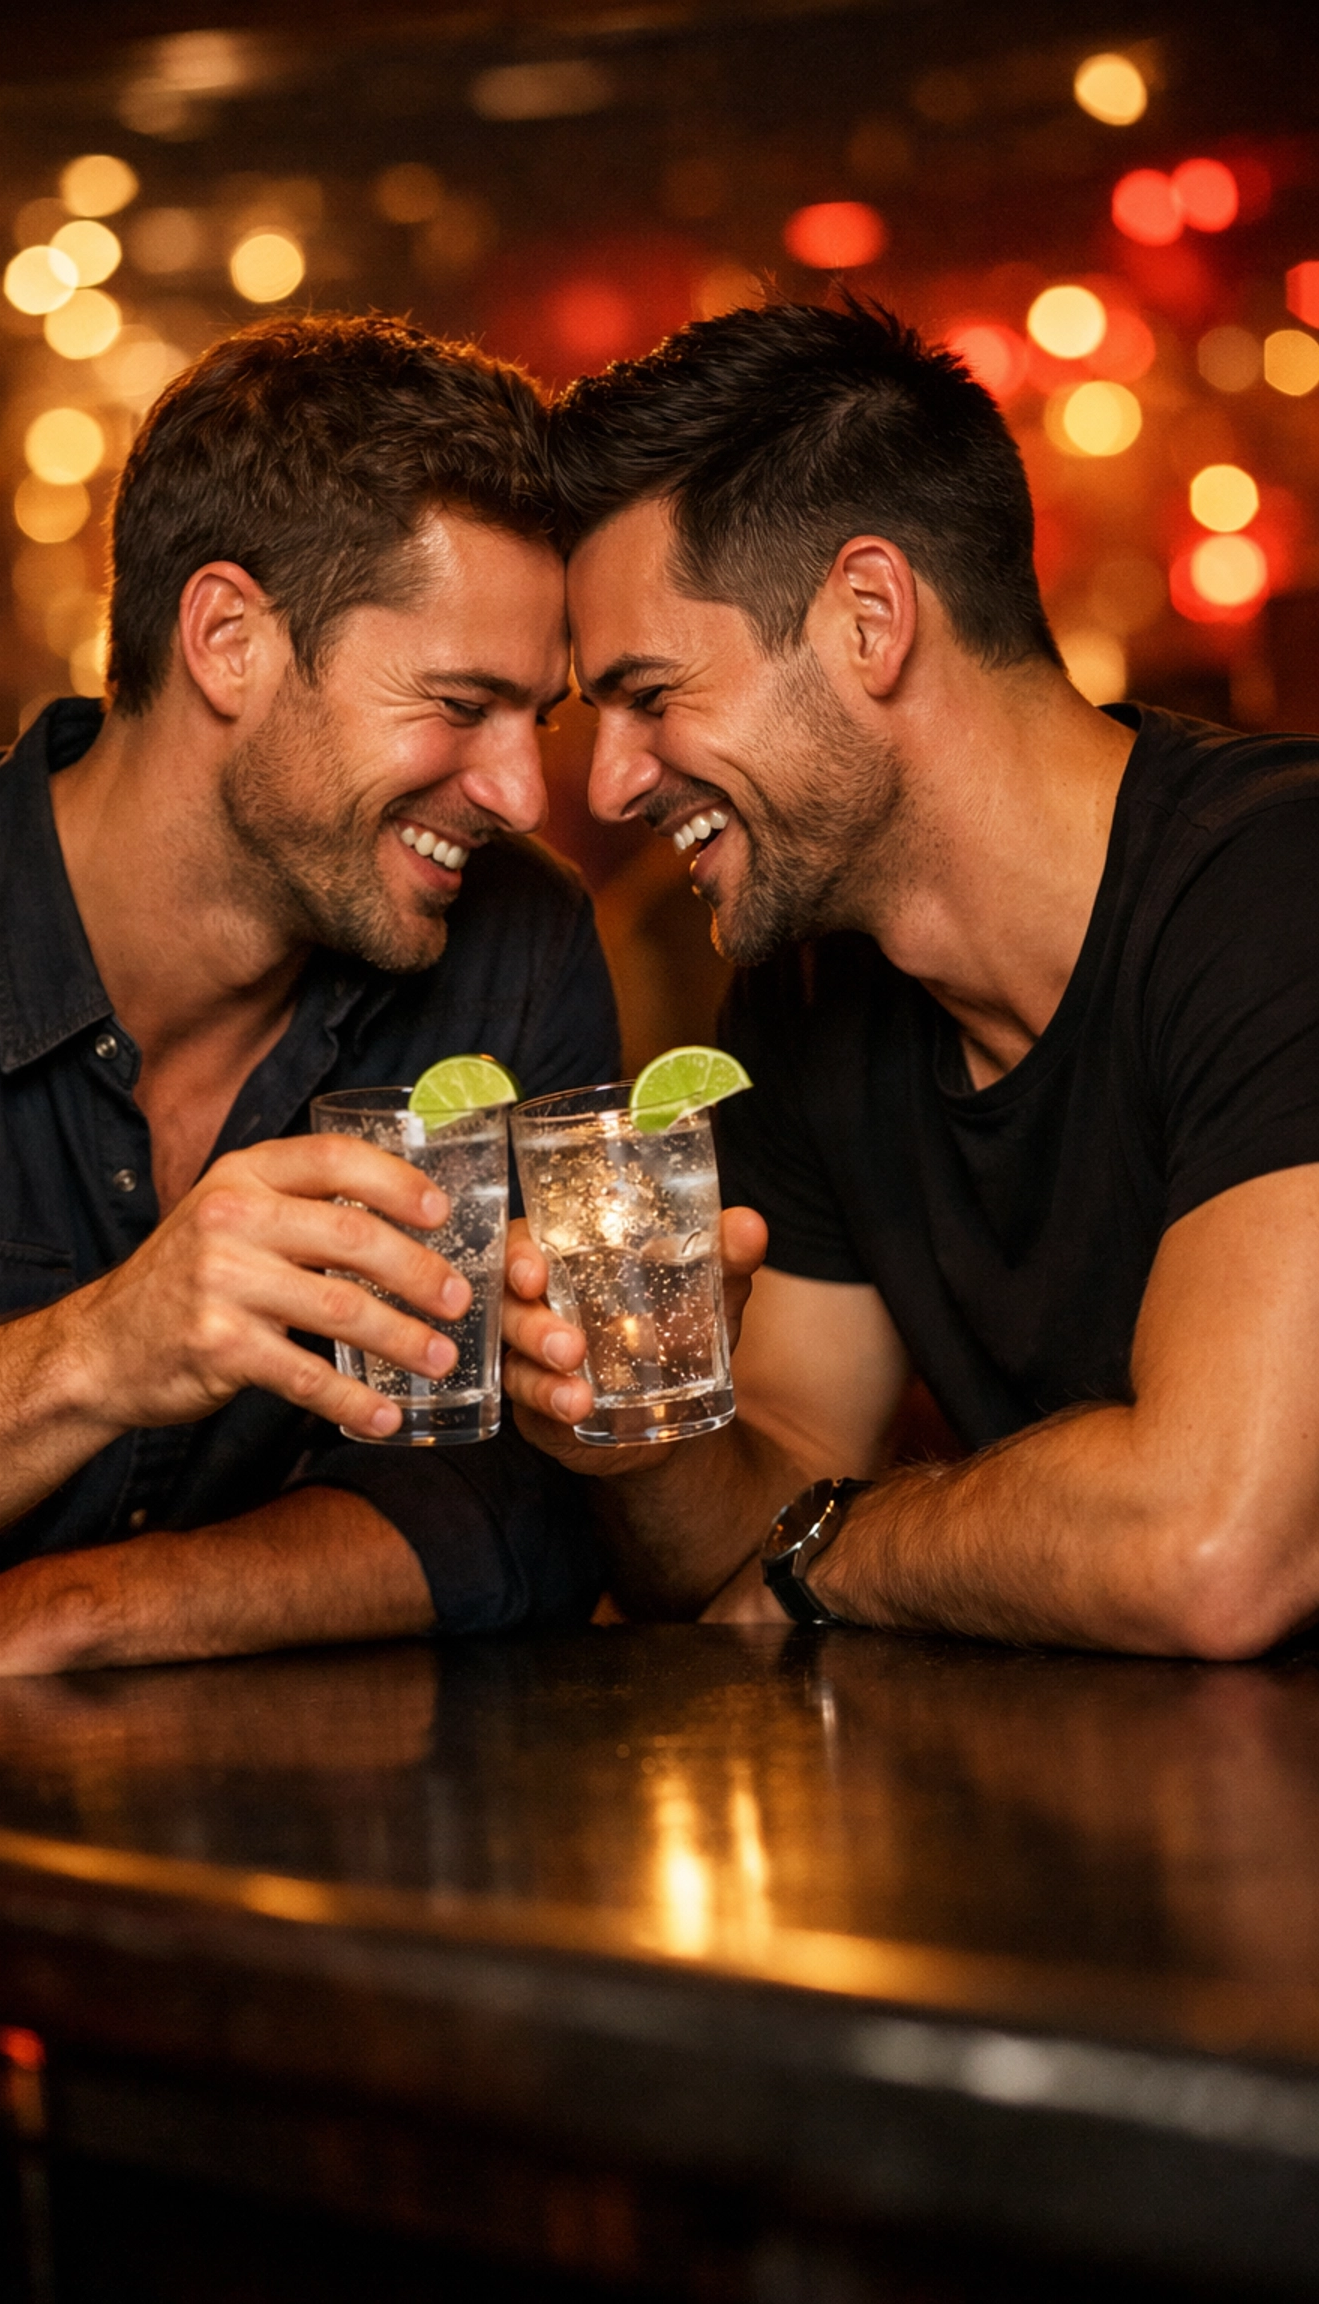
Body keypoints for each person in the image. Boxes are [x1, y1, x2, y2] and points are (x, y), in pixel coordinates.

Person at [0, 313, 618, 1699]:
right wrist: (104, 1352)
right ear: (229, 639)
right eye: (462, 704)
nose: (526, 793)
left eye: (541, 716)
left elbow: (527, 1507)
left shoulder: (517, 947)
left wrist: (95, 1606)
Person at [503, 297, 1319, 1660]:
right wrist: (629, 1432)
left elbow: (1215, 1546)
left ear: (870, 618)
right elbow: (751, 1535)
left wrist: (843, 1537)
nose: (609, 781)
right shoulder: (812, 994)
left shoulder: (1279, 890)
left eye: (651, 694)